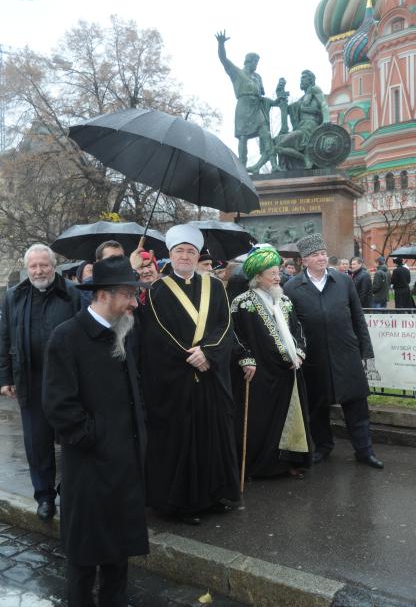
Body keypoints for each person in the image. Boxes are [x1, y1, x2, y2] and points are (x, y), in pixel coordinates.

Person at [42, 255, 149, 606]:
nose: (134, 302)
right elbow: (60, 408)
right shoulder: (66, 337)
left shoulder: (125, 331)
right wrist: (98, 438)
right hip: (89, 472)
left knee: (119, 555)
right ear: (103, 295)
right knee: (85, 561)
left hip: (124, 469)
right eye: (127, 295)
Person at [141, 224, 240, 525]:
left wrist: (208, 354)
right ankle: (181, 504)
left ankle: (212, 495)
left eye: (191, 251)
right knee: (180, 441)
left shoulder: (216, 287)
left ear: (198, 256)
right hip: (177, 380)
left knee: (212, 436)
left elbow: (224, 326)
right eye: (180, 251)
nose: (185, 256)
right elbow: (156, 334)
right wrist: (190, 357)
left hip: (210, 375)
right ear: (170, 255)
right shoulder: (156, 291)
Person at [284, 233, 383, 469]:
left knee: (357, 406)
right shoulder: (292, 287)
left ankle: (364, 451)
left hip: (346, 354)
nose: (321, 258)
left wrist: (365, 352)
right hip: (313, 359)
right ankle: (323, 447)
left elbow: (358, 317)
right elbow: (289, 326)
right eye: (315, 255)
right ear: (304, 261)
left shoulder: (343, 281)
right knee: (317, 408)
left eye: (323, 253)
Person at [0, 244, 81, 520]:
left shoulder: (72, 294)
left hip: (67, 382)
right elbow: (5, 339)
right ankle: (44, 496)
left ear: (53, 265)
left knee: (72, 438)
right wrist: (5, 377)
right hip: (30, 380)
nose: (38, 271)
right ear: (27, 268)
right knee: (37, 443)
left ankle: (68, 490)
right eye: (33, 266)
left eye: (43, 265)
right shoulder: (14, 296)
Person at [231, 247, 311, 479]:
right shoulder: (242, 302)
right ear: (258, 277)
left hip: (288, 371)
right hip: (259, 372)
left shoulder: (284, 300)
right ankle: (258, 467)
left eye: (278, 272)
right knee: (261, 420)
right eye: (272, 273)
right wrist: (245, 358)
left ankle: (287, 462)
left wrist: (299, 353)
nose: (278, 277)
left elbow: (298, 330)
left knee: (289, 416)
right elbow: (235, 335)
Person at [215, 30, 277, 171]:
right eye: (255, 62)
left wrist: (276, 101)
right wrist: (221, 44)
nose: (256, 65)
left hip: (256, 108)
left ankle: (274, 165)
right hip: (243, 107)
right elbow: (223, 59)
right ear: (249, 62)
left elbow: (262, 96)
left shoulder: (258, 77)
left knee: (266, 133)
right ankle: (242, 168)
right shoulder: (237, 72)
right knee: (243, 137)